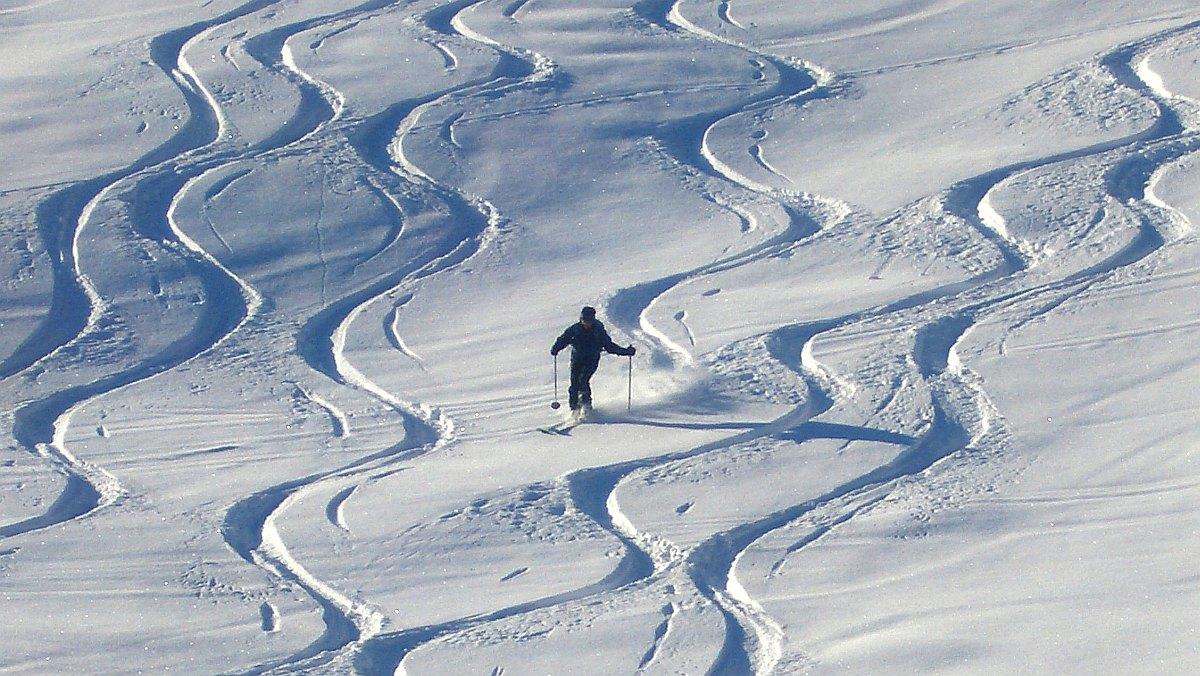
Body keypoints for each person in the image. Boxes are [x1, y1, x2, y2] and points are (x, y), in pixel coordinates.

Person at [550, 306, 635, 416]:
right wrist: (556, 348)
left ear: (593, 319)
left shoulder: (598, 330)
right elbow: (563, 339)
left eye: (589, 320)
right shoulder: (575, 329)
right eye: (584, 320)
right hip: (577, 359)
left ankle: (587, 407)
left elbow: (609, 346)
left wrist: (626, 352)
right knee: (574, 384)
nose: (586, 323)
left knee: (583, 380)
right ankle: (574, 409)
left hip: (591, 360)